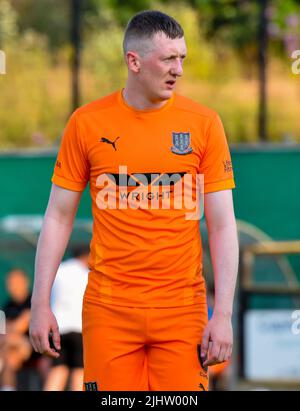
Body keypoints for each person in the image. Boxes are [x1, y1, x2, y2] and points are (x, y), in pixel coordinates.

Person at [29, 10, 239, 391]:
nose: (178, 69)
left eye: (182, 58)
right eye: (168, 59)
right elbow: (58, 217)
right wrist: (39, 303)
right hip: (109, 308)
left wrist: (222, 313)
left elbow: (223, 224)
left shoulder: (204, 123)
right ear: (134, 61)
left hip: (181, 307)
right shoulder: (87, 123)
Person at [44, 246, 89, 391]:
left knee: (58, 371)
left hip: (59, 329)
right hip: (79, 328)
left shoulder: (58, 271)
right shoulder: (86, 273)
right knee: (79, 372)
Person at [0, 269, 32, 390]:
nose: (13, 287)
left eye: (16, 282)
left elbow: (21, 326)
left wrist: (11, 329)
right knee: (10, 357)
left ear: (25, 282)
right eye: (10, 283)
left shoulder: (33, 301)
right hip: (10, 348)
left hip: (35, 347)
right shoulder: (8, 305)